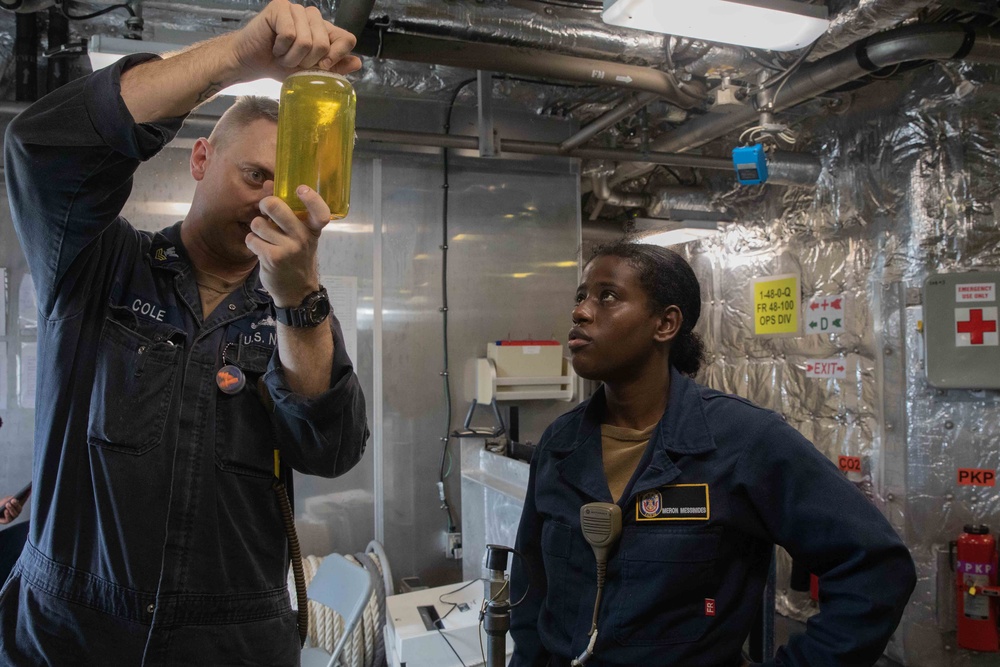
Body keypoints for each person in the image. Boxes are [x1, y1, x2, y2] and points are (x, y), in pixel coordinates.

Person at [0, 1, 368, 665]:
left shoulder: (294, 307)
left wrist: (295, 299)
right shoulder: (99, 266)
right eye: (254, 174)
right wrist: (237, 58)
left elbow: (331, 444)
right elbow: (45, 145)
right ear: (201, 158)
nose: (267, 202)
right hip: (72, 638)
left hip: (231, 645)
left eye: (286, 188)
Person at [509, 242, 917, 667]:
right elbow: (532, 589)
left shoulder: (742, 440)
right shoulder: (560, 443)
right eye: (581, 296)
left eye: (607, 296)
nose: (581, 311)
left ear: (665, 324)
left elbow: (875, 567)